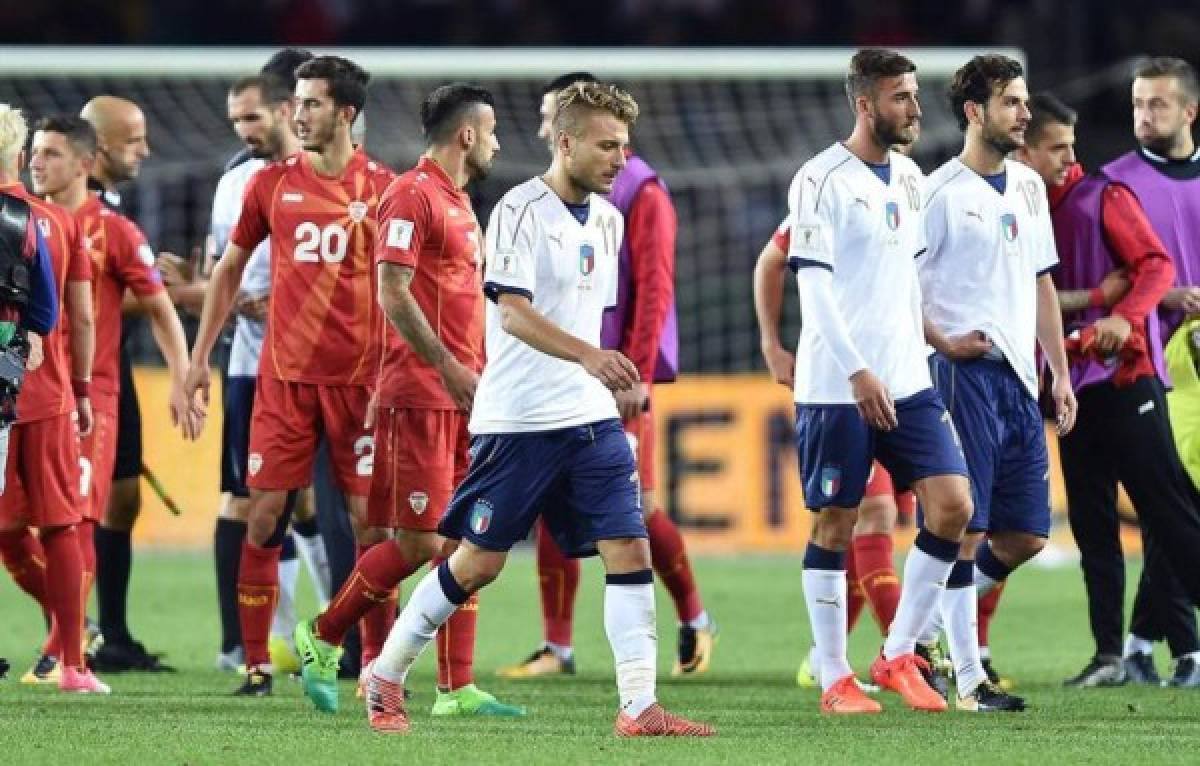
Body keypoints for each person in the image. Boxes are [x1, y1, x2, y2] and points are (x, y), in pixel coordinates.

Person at [362, 80, 713, 737]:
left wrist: (596, 368)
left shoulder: (610, 220)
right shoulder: (520, 210)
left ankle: (639, 706)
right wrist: (588, 355)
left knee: (629, 545)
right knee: (477, 564)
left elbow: (578, 310)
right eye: (607, 146)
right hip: (519, 420)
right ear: (565, 142)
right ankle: (384, 677)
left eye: (625, 146)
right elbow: (515, 314)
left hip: (590, 418)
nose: (619, 158)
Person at [293, 83, 523, 719]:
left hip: (464, 394)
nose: (501, 142)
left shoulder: (458, 202)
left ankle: (456, 688)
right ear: (467, 135)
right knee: (420, 544)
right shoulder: (412, 194)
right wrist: (447, 365)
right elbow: (392, 291)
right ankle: (323, 633)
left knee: (465, 543)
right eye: (495, 128)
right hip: (421, 393)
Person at [184, 55, 393, 697]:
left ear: (346, 113)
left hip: (360, 386)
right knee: (263, 515)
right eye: (296, 101)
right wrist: (198, 360)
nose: (297, 113)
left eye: (312, 103)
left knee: (371, 528)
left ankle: (376, 665)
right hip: (282, 380)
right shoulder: (271, 185)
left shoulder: (385, 188)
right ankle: (255, 663)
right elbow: (227, 272)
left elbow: (411, 286)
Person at [499, 71, 716, 681]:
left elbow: (655, 287)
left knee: (638, 507)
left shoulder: (642, 193)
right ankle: (557, 646)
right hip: (567, 370)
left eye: (552, 115)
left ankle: (696, 619)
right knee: (550, 501)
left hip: (616, 372)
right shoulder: (545, 201)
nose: (545, 128)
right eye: (548, 119)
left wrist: (637, 373)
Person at [780, 48, 975, 715]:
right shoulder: (819, 179)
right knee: (836, 523)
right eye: (900, 97)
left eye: (916, 95)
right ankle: (834, 678)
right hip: (838, 385)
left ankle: (896, 654)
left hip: (907, 379)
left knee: (954, 506)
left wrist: (936, 343)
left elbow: (901, 284)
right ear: (864, 104)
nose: (915, 109)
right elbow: (814, 285)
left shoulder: (912, 179)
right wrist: (857, 370)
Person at [919, 54, 1076, 711]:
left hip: (1017, 377)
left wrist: (1059, 371)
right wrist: (942, 343)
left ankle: (920, 632)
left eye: (1025, 101)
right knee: (968, 528)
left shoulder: (1029, 187)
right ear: (975, 113)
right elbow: (897, 287)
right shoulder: (937, 193)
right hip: (961, 373)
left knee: (1025, 535)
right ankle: (967, 678)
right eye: (1012, 102)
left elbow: (1041, 280)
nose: (1025, 114)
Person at [22, 114, 201, 679]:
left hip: (86, 399)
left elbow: (158, 305)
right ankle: (78, 626)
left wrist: (181, 374)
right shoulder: (23, 222)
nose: (35, 162)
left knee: (73, 521)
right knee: (10, 529)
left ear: (82, 161)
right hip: (25, 392)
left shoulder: (114, 230)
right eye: (33, 152)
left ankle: (62, 650)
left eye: (49, 152)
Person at [1061, 56, 1200, 689]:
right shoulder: (1109, 186)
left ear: (1189, 111)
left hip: (1162, 364)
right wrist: (1151, 301)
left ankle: (1146, 643)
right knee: (1168, 504)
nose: (1144, 114)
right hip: (1149, 362)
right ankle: (1154, 648)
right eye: (1139, 103)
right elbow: (1123, 273)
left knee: (1174, 506)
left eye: (1158, 104)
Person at [208, 69, 333, 676]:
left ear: (288, 110)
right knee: (255, 502)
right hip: (251, 366)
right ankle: (258, 645)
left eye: (252, 116)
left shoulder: (346, 181)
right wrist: (220, 309)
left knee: (332, 506)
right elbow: (219, 273)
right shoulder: (238, 183)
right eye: (236, 119)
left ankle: (339, 629)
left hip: (333, 369)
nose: (244, 129)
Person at [753, 216, 911, 691]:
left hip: (901, 379)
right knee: (870, 516)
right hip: (840, 386)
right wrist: (771, 344)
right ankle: (908, 657)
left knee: (877, 522)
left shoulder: (909, 192)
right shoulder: (827, 194)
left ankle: (826, 656)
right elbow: (770, 260)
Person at [0, 102, 106, 693]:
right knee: (62, 525)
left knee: (12, 530)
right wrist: (84, 386)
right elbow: (80, 318)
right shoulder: (59, 223)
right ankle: (74, 665)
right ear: (18, 155)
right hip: (45, 392)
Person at [78, 95, 174, 672]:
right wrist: (174, 295)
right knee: (66, 509)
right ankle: (70, 634)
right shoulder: (63, 207)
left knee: (123, 498)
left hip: (114, 372)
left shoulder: (109, 209)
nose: (145, 150)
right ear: (103, 146)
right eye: (135, 139)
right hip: (72, 379)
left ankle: (110, 633)